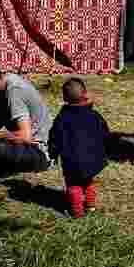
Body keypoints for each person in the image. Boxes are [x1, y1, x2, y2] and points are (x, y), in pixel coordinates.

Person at [47, 78, 110, 218]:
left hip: (72, 162)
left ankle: (77, 213)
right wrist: (104, 151)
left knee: (74, 185)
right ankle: (91, 206)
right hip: (93, 160)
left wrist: (52, 154)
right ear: (85, 94)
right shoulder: (95, 115)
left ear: (64, 98)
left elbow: (54, 139)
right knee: (88, 182)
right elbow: (106, 134)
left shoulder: (62, 118)